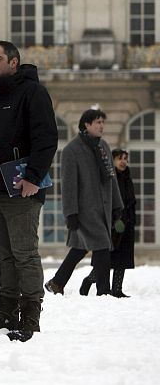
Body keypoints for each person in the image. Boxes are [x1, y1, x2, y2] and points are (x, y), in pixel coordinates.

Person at [0, 40, 58, 342]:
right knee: (5, 256)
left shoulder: (32, 92)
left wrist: (33, 177)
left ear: (14, 61)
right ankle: (7, 311)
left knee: (24, 254)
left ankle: (30, 314)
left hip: (21, 189)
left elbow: (47, 138)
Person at [45, 109, 123, 297]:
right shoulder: (72, 150)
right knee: (103, 246)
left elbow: (111, 178)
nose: (101, 126)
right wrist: (70, 213)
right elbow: (69, 185)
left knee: (80, 249)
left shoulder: (103, 146)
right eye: (97, 122)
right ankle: (103, 291)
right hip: (85, 209)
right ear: (86, 125)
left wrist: (117, 206)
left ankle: (57, 282)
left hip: (103, 207)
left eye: (102, 122)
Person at [78, 148, 136, 298]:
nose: (123, 161)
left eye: (125, 158)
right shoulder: (109, 177)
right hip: (111, 224)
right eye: (120, 158)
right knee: (106, 260)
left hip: (126, 224)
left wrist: (132, 221)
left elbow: (131, 201)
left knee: (122, 258)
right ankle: (89, 280)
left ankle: (117, 289)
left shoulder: (127, 177)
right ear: (113, 160)